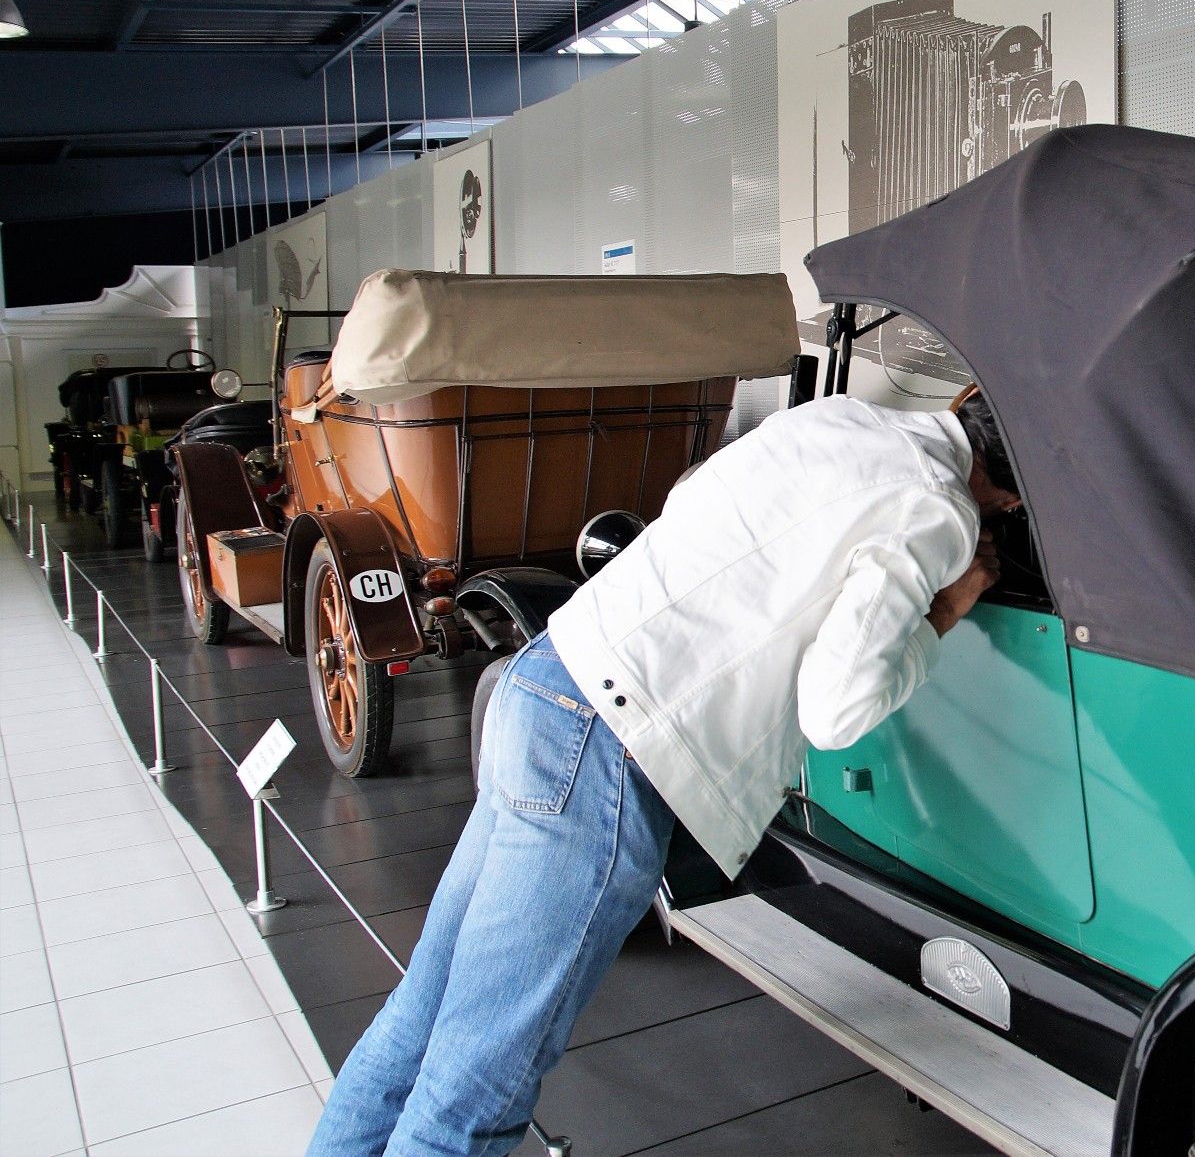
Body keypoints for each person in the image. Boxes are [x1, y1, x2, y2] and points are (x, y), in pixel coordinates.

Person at [306, 392, 1023, 1157]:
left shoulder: (843, 413)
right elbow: (834, 708)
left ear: (964, 398)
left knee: (420, 1015)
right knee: (475, 1089)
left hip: (549, 677)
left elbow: (692, 497)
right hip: (611, 751)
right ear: (1011, 494)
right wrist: (942, 615)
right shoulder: (940, 508)